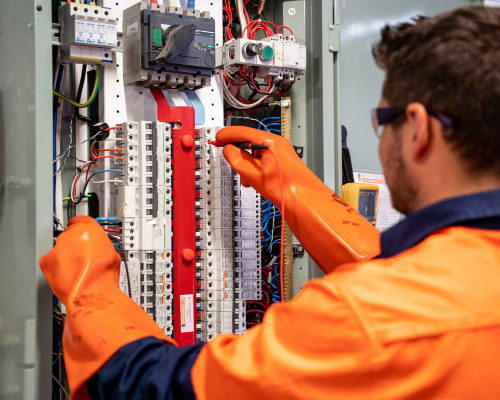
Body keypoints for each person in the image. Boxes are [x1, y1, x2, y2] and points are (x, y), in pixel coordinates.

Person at [41, 6, 500, 400]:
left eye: (383, 121)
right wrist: (298, 191)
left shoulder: (368, 321)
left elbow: (159, 388)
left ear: (419, 130)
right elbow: (417, 272)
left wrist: (91, 291)